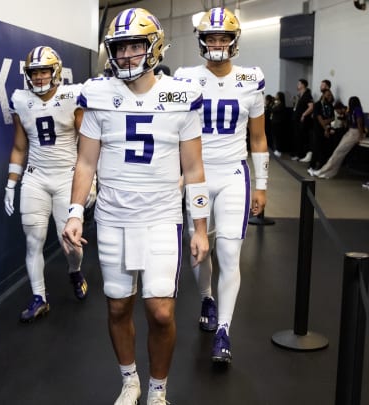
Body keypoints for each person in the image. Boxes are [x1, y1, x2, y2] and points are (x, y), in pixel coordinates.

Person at [62, 8, 209, 404]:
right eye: (120, 47)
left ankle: (158, 389)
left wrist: (199, 226)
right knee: (117, 308)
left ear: (154, 47)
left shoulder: (180, 96)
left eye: (135, 46)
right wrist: (76, 211)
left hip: (161, 217)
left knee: (161, 312)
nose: (126, 55)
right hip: (112, 217)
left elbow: (194, 168)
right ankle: (130, 381)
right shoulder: (98, 95)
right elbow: (86, 162)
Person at [175, 7, 269, 364]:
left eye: (223, 37)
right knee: (200, 250)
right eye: (211, 38)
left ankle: (224, 330)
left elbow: (258, 139)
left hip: (232, 174)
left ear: (234, 41)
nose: (217, 44)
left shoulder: (251, 80)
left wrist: (261, 186)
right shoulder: (185, 79)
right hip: (196, 175)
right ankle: (206, 297)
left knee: (230, 253)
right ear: (201, 42)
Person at [4, 45, 94, 323]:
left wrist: (92, 180)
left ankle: (74, 271)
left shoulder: (72, 97)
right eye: (34, 72)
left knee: (69, 243)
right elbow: (20, 146)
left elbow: (88, 142)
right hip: (35, 176)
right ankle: (39, 297)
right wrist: (11, 182)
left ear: (56, 72)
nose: (40, 77)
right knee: (34, 241)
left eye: (44, 71)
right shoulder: (20, 100)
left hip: (67, 175)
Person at [312, 97, 365, 179]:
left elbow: (359, 122)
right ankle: (327, 171)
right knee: (337, 152)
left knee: (338, 152)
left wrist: (360, 136)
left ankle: (325, 171)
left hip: (355, 132)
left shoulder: (357, 110)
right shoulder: (351, 111)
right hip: (350, 131)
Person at [307, 88, 335, 175]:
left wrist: (327, 124)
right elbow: (319, 119)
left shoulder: (330, 105)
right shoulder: (317, 105)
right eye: (328, 95)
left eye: (330, 95)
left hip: (327, 129)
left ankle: (321, 167)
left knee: (324, 149)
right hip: (318, 130)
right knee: (316, 148)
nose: (329, 96)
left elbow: (333, 117)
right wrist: (325, 127)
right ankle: (311, 166)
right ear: (323, 95)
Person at [292, 79, 314, 162]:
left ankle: (303, 155)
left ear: (303, 85)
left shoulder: (307, 95)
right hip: (297, 119)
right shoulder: (300, 95)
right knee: (297, 137)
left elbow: (311, 107)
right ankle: (298, 154)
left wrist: (304, 114)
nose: (297, 85)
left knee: (302, 137)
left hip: (303, 120)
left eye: (299, 84)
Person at [271, 91, 290, 157]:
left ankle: (278, 150)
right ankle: (275, 148)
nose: (275, 96)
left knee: (278, 137)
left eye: (277, 95)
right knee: (274, 136)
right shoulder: (276, 103)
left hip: (278, 123)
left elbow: (274, 110)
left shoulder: (281, 105)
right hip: (274, 122)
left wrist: (274, 106)